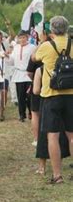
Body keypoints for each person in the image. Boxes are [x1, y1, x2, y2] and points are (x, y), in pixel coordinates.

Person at [32, 16, 73, 184]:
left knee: (53, 136)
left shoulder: (46, 46)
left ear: (51, 30)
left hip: (51, 95)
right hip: (71, 94)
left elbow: (34, 58)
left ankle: (57, 175)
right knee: (72, 134)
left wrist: (43, 41)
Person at [6, 30, 35, 121]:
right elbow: (12, 61)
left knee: (29, 96)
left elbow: (34, 60)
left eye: (24, 37)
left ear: (27, 37)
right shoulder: (16, 48)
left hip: (28, 74)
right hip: (18, 74)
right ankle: (22, 115)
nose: (22, 39)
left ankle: (31, 112)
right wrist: (7, 56)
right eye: (20, 37)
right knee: (20, 96)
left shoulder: (32, 47)